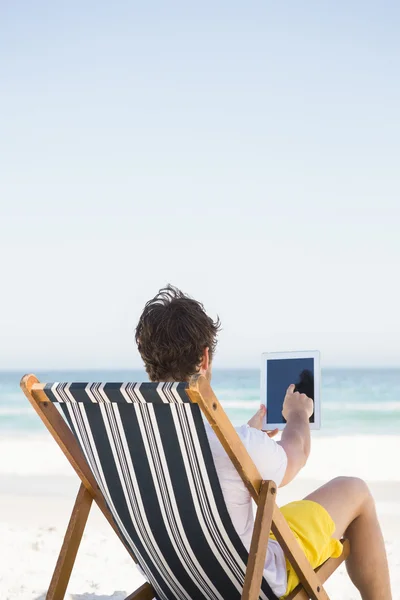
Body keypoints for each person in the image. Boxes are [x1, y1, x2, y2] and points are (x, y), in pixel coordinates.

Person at [135, 285, 391, 600]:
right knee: (356, 490)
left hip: (177, 579)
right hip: (250, 581)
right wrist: (297, 414)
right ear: (204, 357)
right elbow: (297, 454)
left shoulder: (129, 443)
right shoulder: (234, 444)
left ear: (148, 360)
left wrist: (247, 436)